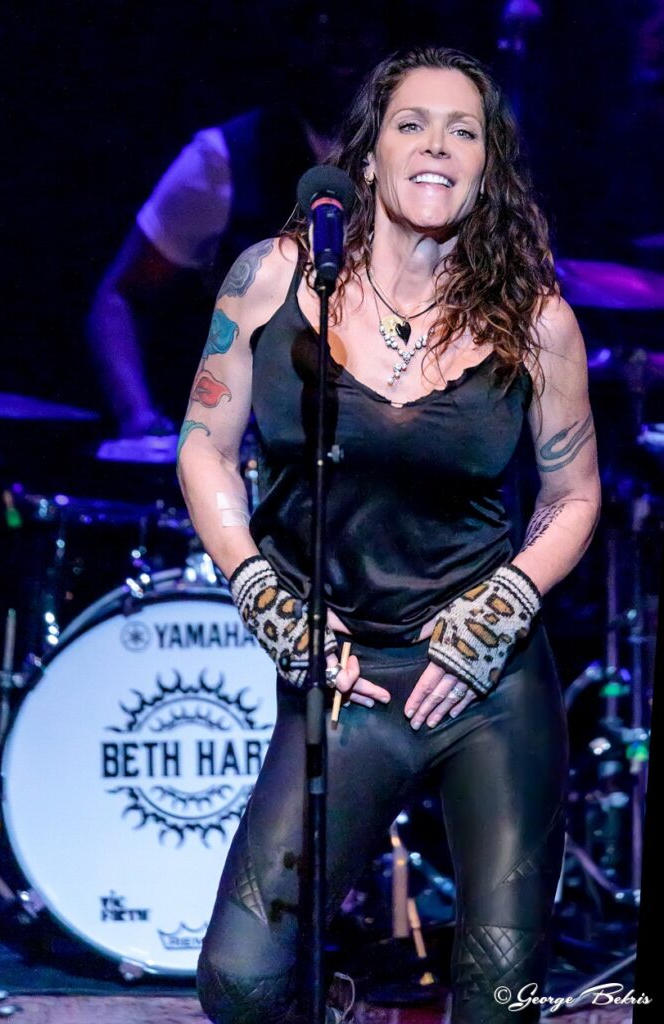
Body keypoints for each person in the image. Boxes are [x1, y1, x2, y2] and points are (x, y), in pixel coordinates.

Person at [177, 46, 601, 1024]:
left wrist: (505, 604)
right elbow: (203, 447)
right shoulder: (273, 278)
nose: (438, 146)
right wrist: (259, 589)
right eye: (413, 124)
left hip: (486, 684)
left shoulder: (537, 321)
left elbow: (573, 494)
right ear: (368, 156)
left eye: (464, 131)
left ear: (488, 167)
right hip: (344, 677)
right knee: (243, 984)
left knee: (500, 998)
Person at [87, 6, 386, 439]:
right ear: (296, 41)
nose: (345, 45)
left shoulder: (410, 163)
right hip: (242, 445)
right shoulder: (224, 160)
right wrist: (140, 419)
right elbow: (121, 298)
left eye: (359, 27)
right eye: (326, 25)